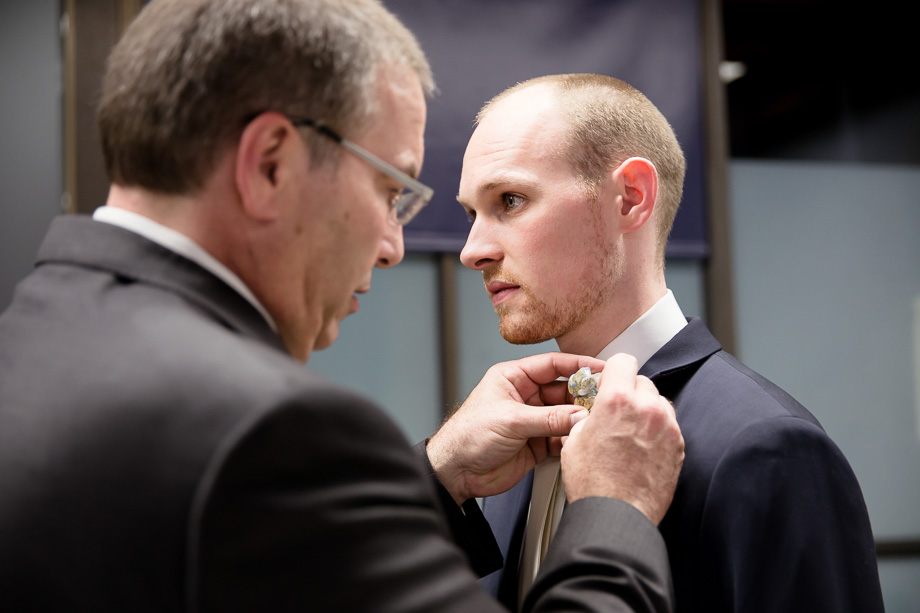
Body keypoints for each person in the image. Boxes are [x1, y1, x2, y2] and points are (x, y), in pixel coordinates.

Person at [0, 3, 687, 611]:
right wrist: (614, 510)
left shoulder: (28, 342)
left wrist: (434, 474)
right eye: (390, 191)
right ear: (271, 163)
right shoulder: (273, 431)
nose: (393, 248)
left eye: (509, 201)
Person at [457, 73, 885, 613]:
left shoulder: (766, 447)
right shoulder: (506, 446)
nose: (472, 250)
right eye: (471, 213)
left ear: (631, 198)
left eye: (510, 200)